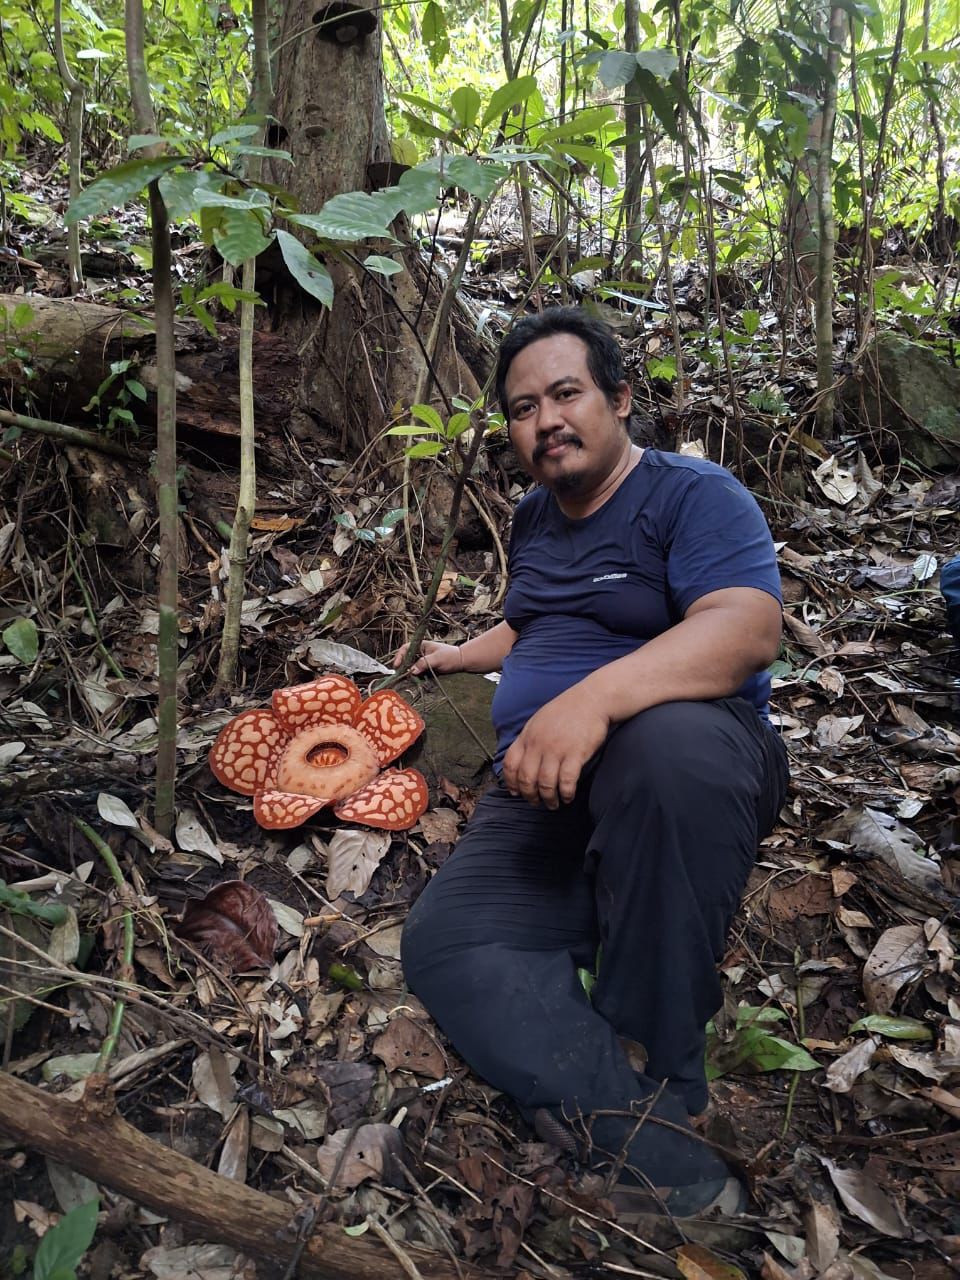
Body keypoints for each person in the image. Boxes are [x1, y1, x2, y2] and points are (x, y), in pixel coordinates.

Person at [395, 307, 789, 1217]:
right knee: (449, 942)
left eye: (566, 394)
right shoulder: (536, 514)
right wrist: (465, 655)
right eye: (524, 407)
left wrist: (592, 701)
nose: (546, 420)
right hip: (544, 791)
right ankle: (645, 1134)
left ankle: (667, 1056)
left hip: (685, 769)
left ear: (617, 399)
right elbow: (534, 617)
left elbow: (745, 630)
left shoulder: (694, 495)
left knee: (666, 745)